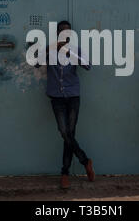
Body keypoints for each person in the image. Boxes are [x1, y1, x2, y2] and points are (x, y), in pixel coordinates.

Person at [35, 20, 95, 189]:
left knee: (70, 133)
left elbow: (88, 65)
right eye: (61, 32)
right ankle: (84, 160)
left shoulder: (75, 50)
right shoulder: (50, 50)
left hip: (73, 97)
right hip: (57, 98)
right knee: (64, 132)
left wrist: (67, 52)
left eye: (67, 32)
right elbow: (37, 62)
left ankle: (64, 173)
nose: (64, 35)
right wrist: (50, 48)